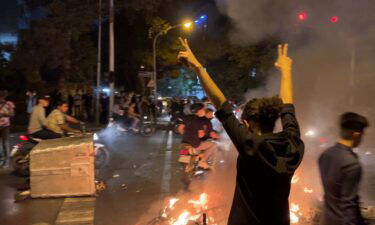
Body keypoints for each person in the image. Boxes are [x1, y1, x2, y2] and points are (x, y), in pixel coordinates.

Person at [178, 39, 304, 225]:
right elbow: (288, 107)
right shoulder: (292, 144)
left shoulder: (250, 145)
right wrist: (286, 71)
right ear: (274, 118)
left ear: (246, 123)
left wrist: (197, 67)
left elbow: (220, 103)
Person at [318, 112, 369, 225]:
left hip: (326, 220)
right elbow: (348, 206)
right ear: (356, 135)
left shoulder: (325, 155)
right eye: (362, 134)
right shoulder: (351, 164)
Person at [177, 103, 218, 170]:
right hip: (195, 144)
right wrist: (205, 134)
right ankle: (203, 161)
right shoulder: (199, 120)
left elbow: (180, 129)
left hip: (184, 142)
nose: (204, 111)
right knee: (213, 144)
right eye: (204, 109)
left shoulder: (186, 117)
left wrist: (187, 135)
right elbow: (200, 135)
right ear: (200, 110)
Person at [0, 90, 15, 167]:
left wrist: (3, 113)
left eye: (2, 97)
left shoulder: (9, 104)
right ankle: (2, 160)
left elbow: (12, 114)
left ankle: (7, 161)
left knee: (5, 143)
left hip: (5, 126)